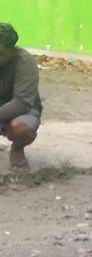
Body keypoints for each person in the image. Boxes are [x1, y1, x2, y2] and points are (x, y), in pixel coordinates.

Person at [0, 23, 42, 172]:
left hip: (21, 111)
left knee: (20, 129)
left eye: (1, 54)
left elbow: (21, 103)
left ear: (12, 50)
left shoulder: (24, 62)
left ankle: (17, 149)